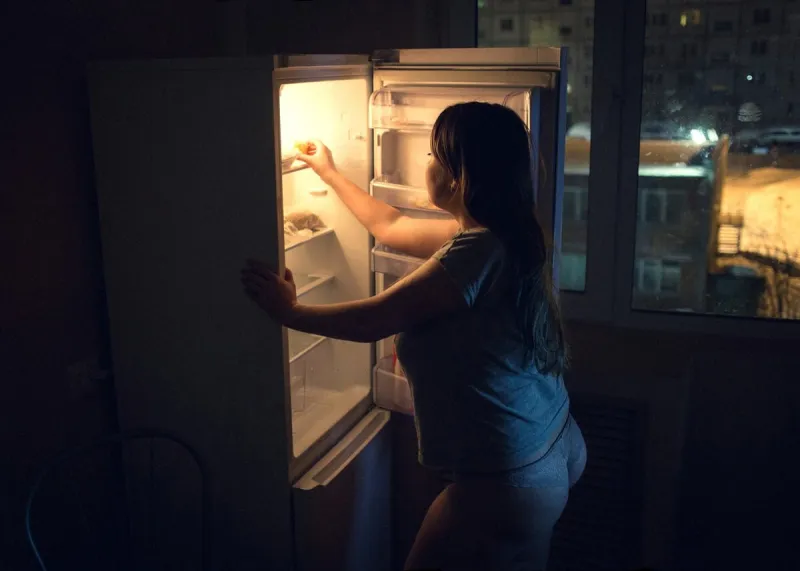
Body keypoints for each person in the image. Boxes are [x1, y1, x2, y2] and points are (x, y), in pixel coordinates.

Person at [241, 102, 587, 571]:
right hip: (551, 446)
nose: (426, 165)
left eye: (433, 155)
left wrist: (290, 311)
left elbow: (371, 322)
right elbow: (391, 226)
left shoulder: (477, 253)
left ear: (458, 177)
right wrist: (329, 172)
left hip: (507, 478)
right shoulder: (502, 233)